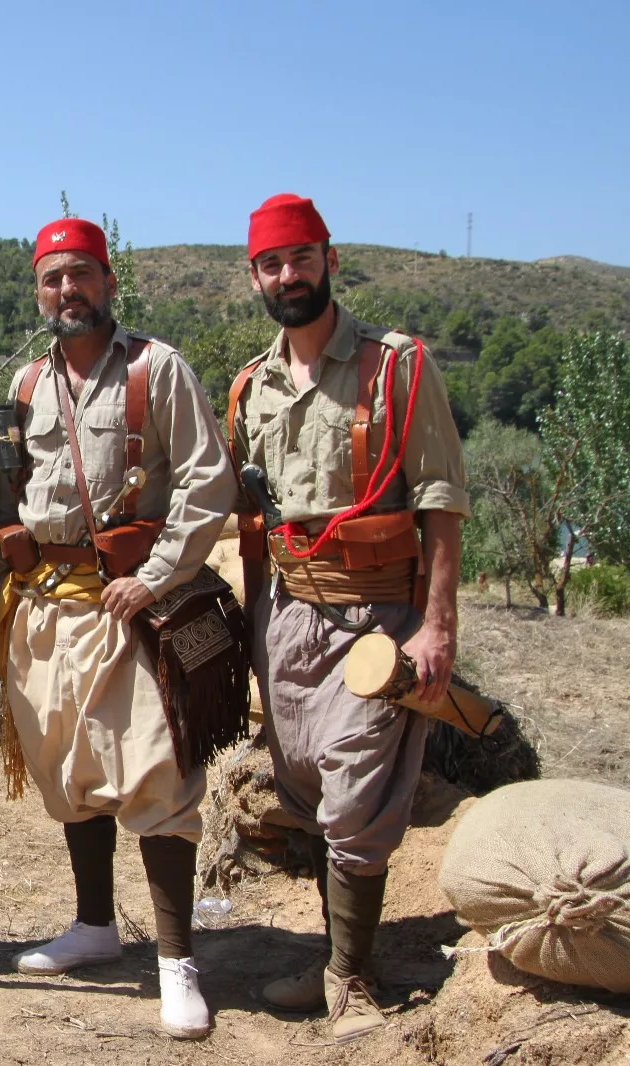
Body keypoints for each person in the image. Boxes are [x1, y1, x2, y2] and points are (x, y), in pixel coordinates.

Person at [228, 194, 469, 1041]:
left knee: (358, 801)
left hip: (378, 620)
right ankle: (333, 955)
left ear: (329, 260)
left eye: (300, 258)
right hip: (289, 617)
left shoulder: (397, 367)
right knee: (305, 786)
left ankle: (353, 980)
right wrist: (250, 634)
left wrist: (437, 627)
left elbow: (441, 500)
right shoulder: (250, 388)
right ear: (255, 278)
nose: (287, 275)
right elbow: (250, 521)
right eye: (271, 264)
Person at [0, 218, 236, 1039]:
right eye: (53, 278)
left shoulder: (155, 369)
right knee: (70, 770)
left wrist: (156, 575)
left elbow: (208, 482)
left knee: (156, 774)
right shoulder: (27, 382)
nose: (68, 290)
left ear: (109, 283)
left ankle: (176, 962)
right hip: (45, 608)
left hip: (127, 606)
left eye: (82, 275)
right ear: (38, 291)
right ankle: (95, 927)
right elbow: (14, 485)